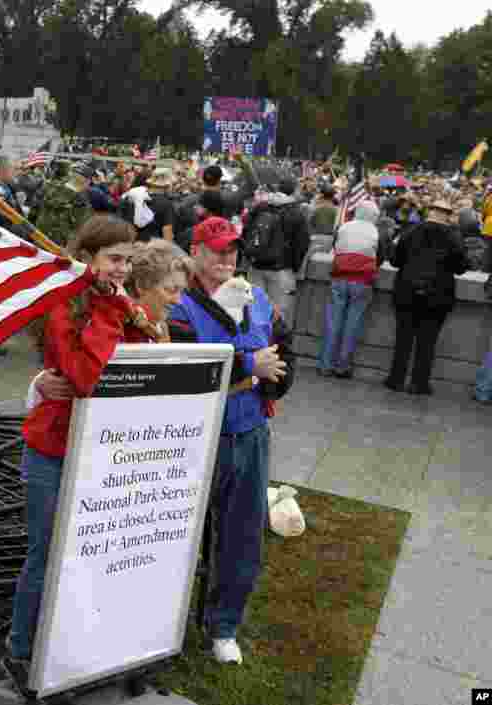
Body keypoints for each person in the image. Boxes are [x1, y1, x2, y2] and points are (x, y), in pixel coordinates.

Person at [3, 215, 149, 698]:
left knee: (89, 558)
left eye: (128, 260)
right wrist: (113, 311)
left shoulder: (119, 304)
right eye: (113, 259)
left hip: (103, 454)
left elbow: (144, 368)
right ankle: (20, 652)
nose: (122, 269)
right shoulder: (66, 304)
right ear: (86, 259)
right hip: (54, 451)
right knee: (46, 555)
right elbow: (86, 375)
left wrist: (143, 326)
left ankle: (73, 647)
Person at [168, 216, 293, 665]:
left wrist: (275, 380)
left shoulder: (257, 296)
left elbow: (282, 346)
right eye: (218, 249)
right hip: (196, 439)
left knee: (242, 536)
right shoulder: (179, 303)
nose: (227, 257)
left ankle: (224, 626)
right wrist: (247, 367)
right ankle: (165, 620)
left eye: (233, 249)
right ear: (195, 252)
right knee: (178, 534)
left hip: (251, 432)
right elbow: (180, 369)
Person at [384, 199, 468, 395]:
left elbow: (395, 261)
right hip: (438, 296)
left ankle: (396, 379)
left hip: (406, 291)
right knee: (427, 341)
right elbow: (462, 268)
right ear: (447, 215)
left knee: (403, 338)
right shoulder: (454, 237)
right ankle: (419, 383)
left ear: (430, 211)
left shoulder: (411, 231)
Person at [319, 201, 383, 378]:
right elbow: (382, 256)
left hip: (339, 277)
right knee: (352, 324)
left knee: (333, 322)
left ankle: (325, 365)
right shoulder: (377, 232)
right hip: (362, 281)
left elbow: (335, 247)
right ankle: (343, 366)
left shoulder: (344, 227)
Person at [243, 177, 311, 325]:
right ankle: (275, 345)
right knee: (279, 315)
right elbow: (302, 243)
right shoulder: (296, 212)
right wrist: (294, 266)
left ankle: (255, 345)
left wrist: (250, 255)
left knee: (254, 311)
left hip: (256, 266)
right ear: (293, 191)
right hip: (282, 269)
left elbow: (246, 230)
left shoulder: (260, 206)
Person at [34, 162, 95, 248]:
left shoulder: (48, 186)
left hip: (38, 236)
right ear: (86, 182)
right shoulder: (81, 201)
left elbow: (34, 211)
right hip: (58, 245)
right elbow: (81, 228)